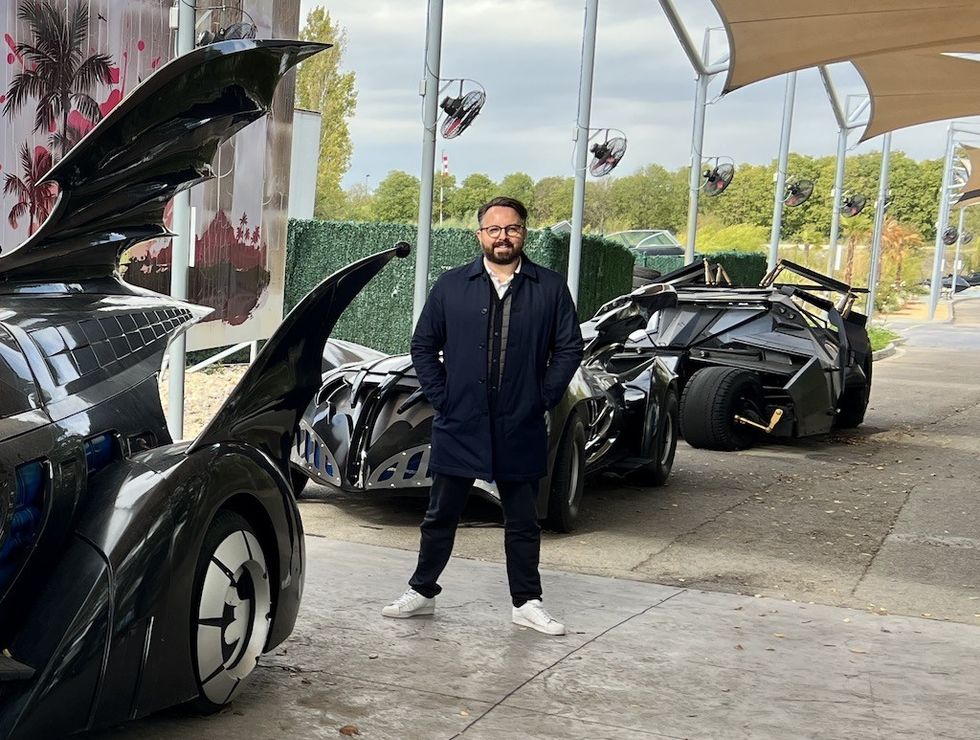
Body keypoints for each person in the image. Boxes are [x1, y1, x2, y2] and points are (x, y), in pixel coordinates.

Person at [382, 196, 584, 635]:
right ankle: (421, 591)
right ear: (480, 236)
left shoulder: (549, 288)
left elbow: (569, 347)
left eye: (511, 228)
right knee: (441, 515)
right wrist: (443, 396)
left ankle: (526, 602)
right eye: (493, 229)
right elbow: (423, 346)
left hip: (520, 422)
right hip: (461, 421)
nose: (502, 237)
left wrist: (542, 397)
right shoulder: (453, 286)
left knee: (523, 520)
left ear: (523, 233)